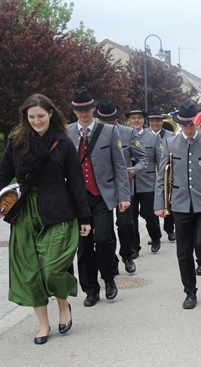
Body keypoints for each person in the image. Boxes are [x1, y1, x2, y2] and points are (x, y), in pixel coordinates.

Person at [0, 94, 91, 344]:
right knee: (29, 272)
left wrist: (84, 217)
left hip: (58, 211)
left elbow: (76, 182)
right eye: (32, 117)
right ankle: (42, 324)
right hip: (24, 212)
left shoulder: (63, 143)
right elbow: (2, 175)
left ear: (51, 113)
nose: (37, 120)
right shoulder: (16, 142)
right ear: (26, 118)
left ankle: (63, 306)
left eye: (41, 115)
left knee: (51, 269)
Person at [154, 101, 201, 309]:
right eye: (184, 125)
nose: (188, 129)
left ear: (197, 123)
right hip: (180, 205)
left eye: (191, 124)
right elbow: (162, 176)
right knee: (183, 251)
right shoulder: (170, 143)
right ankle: (190, 291)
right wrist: (159, 203)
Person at [67, 88, 131, 307]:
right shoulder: (67, 133)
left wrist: (123, 196)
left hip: (102, 195)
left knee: (103, 239)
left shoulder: (109, 132)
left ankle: (109, 279)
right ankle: (90, 289)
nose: (84, 113)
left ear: (93, 109)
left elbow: (120, 167)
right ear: (74, 111)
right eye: (79, 110)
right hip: (78, 198)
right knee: (84, 246)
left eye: (87, 109)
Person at [94, 100, 147, 274]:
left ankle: (128, 254)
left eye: (112, 121)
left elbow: (143, 159)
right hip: (102, 188)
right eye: (104, 121)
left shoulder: (128, 133)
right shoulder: (93, 134)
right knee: (105, 229)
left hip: (124, 186)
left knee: (125, 223)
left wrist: (133, 171)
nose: (109, 124)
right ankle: (111, 260)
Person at [126, 106, 163, 255]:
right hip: (129, 183)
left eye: (139, 118)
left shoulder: (153, 137)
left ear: (143, 120)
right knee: (131, 217)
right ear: (129, 120)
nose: (136, 120)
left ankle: (155, 237)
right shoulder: (123, 135)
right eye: (133, 118)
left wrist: (161, 184)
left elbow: (160, 160)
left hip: (148, 183)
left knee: (149, 214)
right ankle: (135, 247)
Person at [148, 110, 176, 242]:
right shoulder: (144, 135)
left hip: (167, 174)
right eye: (152, 121)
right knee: (153, 206)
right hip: (149, 176)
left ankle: (170, 230)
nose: (155, 123)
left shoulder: (170, 135)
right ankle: (155, 234)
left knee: (168, 200)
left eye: (158, 121)